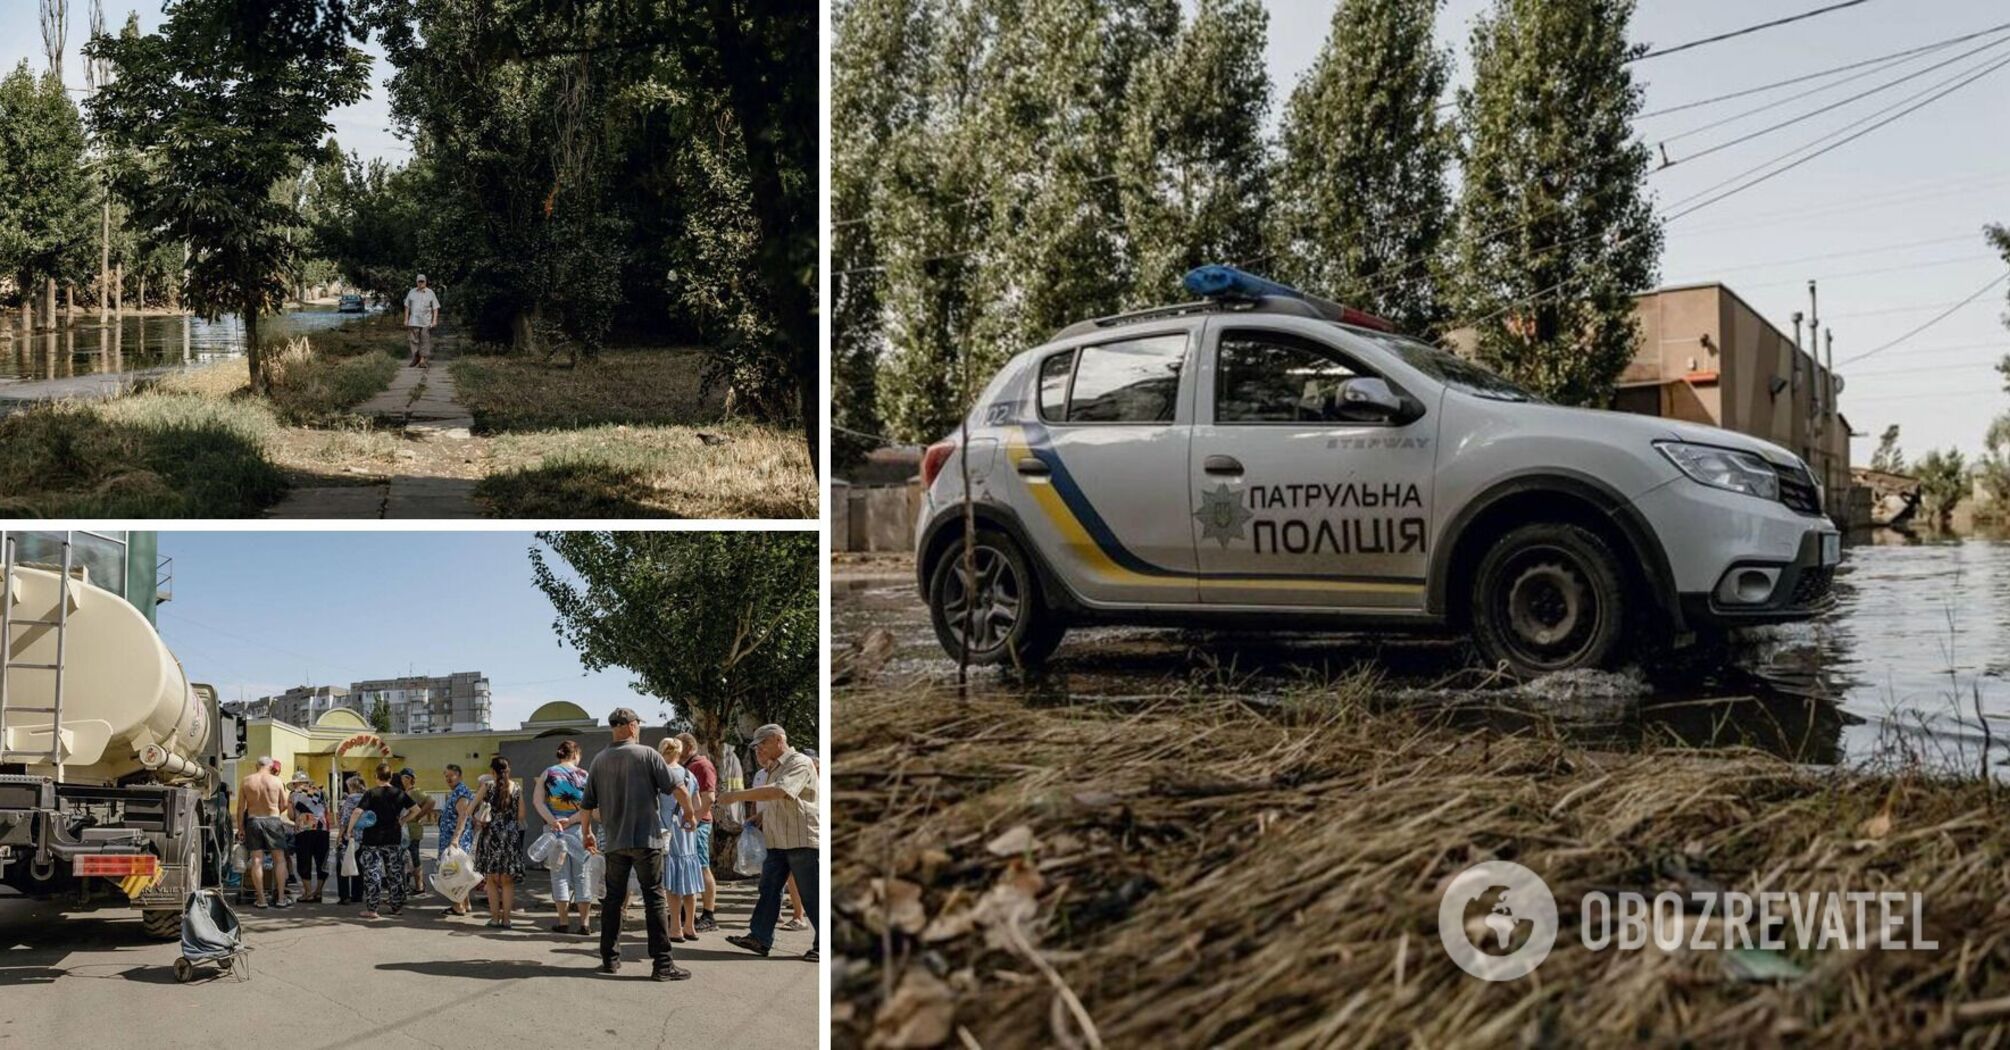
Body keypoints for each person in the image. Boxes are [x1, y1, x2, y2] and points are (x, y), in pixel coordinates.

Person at [580, 708, 694, 981]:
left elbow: (587, 804)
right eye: (638, 725)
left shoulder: (599, 760)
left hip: (615, 841)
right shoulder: (648, 754)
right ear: (631, 726)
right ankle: (663, 964)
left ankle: (610, 959)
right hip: (647, 839)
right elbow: (677, 787)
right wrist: (690, 813)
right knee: (654, 898)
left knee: (613, 900)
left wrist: (586, 832)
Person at [720, 725, 821, 962]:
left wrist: (736, 795)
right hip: (777, 841)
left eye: (762, 744)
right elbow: (782, 802)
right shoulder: (774, 767)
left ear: (778, 739)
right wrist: (760, 817)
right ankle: (760, 937)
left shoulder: (799, 762)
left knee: (812, 894)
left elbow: (780, 791)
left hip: (801, 840)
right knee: (768, 890)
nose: (760, 750)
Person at [533, 739, 593, 935]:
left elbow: (537, 802)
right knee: (582, 876)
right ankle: (585, 924)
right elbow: (591, 806)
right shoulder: (584, 775)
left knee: (559, 876)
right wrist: (572, 819)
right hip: (578, 829)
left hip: (554, 833)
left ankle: (563, 922)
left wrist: (553, 821)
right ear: (575, 754)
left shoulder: (548, 773)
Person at [345, 763, 418, 920]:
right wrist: (403, 820)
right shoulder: (399, 793)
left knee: (372, 873)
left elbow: (357, 811)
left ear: (376, 776)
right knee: (395, 873)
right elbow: (416, 810)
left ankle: (372, 909)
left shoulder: (371, 793)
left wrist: (349, 829)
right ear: (391, 776)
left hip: (372, 839)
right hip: (393, 838)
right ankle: (396, 907)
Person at [747, 760, 808, 931]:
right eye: (757, 751)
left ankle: (799, 916)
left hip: (787, 829)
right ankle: (772, 916)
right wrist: (755, 818)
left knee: (792, 876)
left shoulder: (790, 771)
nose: (760, 754)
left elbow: (778, 797)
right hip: (766, 828)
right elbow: (757, 801)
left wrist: (735, 796)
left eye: (763, 749)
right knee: (771, 875)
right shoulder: (760, 775)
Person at [656, 737, 705, 943]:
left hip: (668, 831)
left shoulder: (661, 775)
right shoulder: (689, 775)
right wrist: (691, 819)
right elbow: (698, 804)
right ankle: (690, 926)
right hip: (687, 830)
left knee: (672, 883)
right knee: (689, 880)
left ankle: (675, 927)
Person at [473, 755, 526, 929]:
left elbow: (471, 808)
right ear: (508, 770)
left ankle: (495, 919)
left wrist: (482, 818)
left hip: (490, 837)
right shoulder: (516, 788)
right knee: (507, 881)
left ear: (492, 771)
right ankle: (507, 920)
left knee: (491, 880)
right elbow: (521, 815)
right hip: (510, 838)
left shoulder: (487, 786)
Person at [675, 732, 720, 931]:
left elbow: (709, 798)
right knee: (687, 867)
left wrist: (694, 821)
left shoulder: (702, 765)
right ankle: (686, 913)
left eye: (678, 746)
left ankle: (709, 915)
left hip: (698, 825)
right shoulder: (686, 766)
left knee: (702, 867)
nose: (675, 750)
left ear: (688, 747)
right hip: (687, 825)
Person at [234, 757, 293, 909]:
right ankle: (281, 898)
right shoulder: (276, 781)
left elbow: (240, 808)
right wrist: (274, 810)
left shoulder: (246, 781)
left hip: (253, 820)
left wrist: (240, 828)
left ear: (256, 765)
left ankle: (261, 899)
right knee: (279, 859)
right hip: (273, 820)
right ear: (271, 766)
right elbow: (284, 804)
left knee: (256, 860)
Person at [436, 764, 477, 918]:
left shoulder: (461, 792)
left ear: (459, 775)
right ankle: (465, 903)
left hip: (457, 840)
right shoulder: (457, 791)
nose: (448, 779)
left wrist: (455, 838)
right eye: (446, 776)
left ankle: (458, 906)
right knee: (461, 871)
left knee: (454, 872)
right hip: (454, 838)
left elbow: (463, 816)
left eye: (451, 776)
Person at [289, 771, 330, 904]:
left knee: (304, 860)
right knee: (321, 861)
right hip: (322, 829)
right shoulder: (321, 792)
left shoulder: (294, 794)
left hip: (304, 829)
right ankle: (318, 892)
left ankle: (307, 893)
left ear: (296, 783)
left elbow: (291, 815)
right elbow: (326, 812)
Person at [398, 768, 436, 896]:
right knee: (407, 858)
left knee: (414, 857)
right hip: (405, 830)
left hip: (412, 830)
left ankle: (419, 886)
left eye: (402, 777)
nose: (401, 780)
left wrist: (418, 815)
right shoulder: (405, 792)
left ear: (408, 778)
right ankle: (411, 885)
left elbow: (431, 801)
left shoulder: (415, 792)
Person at [334, 775, 366, 905]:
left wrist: (339, 835)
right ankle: (358, 894)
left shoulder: (350, 799)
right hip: (364, 836)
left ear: (352, 786)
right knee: (359, 864)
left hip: (350, 835)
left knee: (343, 864)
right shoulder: (367, 797)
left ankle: (344, 895)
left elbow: (345, 819)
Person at [403, 273, 440, 367]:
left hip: (426, 321)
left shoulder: (430, 293)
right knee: (413, 340)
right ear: (416, 282)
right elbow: (407, 306)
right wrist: (406, 319)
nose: (421, 283)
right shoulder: (411, 292)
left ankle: (422, 360)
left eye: (422, 281)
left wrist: (434, 320)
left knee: (424, 340)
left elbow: (435, 308)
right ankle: (416, 356)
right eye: (419, 281)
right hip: (414, 321)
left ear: (426, 282)